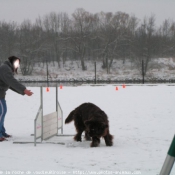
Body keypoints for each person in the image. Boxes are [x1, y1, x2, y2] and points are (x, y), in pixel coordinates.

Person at [0, 56, 33, 142]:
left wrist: (23, 91)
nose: (17, 66)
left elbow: (10, 84)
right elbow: (11, 81)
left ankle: (2, 132)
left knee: (2, 112)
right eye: (16, 63)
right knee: (2, 112)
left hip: (1, 94)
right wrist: (24, 90)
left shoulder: (6, 68)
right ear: (12, 62)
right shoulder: (5, 68)